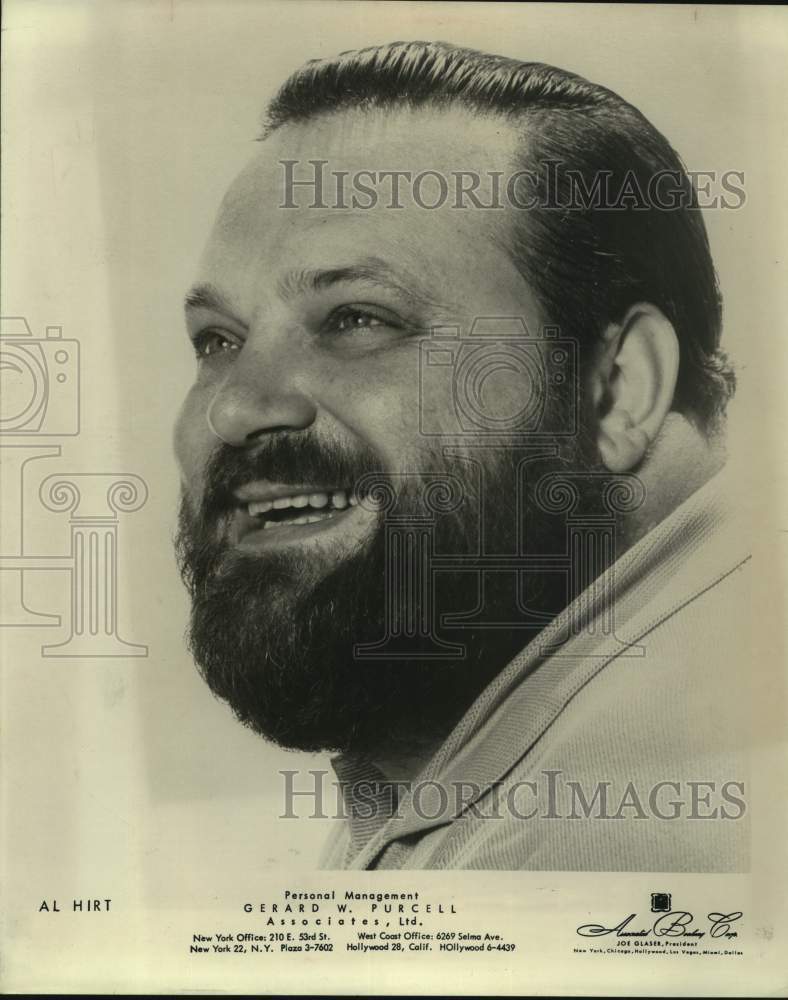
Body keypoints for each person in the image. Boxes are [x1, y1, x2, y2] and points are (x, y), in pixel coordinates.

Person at [174, 41, 749, 870]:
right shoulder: (473, 756)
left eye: (358, 319)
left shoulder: (623, 838)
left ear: (620, 389)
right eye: (218, 339)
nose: (234, 409)